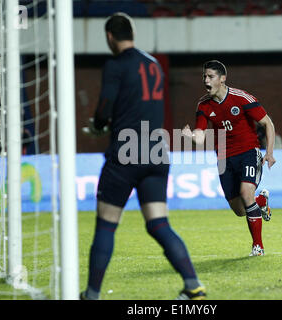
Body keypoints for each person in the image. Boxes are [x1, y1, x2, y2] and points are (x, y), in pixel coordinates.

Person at [80, 12, 206, 300]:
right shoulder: (153, 65)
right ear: (132, 34)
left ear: (110, 37)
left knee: (106, 224)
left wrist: (99, 125)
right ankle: (193, 285)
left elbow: (106, 105)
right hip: (156, 150)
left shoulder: (115, 65)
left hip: (126, 153)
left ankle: (92, 294)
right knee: (159, 223)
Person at [182, 60, 276, 257]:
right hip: (224, 157)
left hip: (248, 151)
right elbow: (200, 136)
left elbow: (267, 123)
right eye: (204, 77)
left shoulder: (240, 98)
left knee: (246, 191)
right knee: (240, 210)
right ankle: (261, 201)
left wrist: (269, 152)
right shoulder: (203, 105)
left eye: (210, 76)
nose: (206, 80)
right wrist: (191, 137)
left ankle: (257, 246)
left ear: (222, 79)